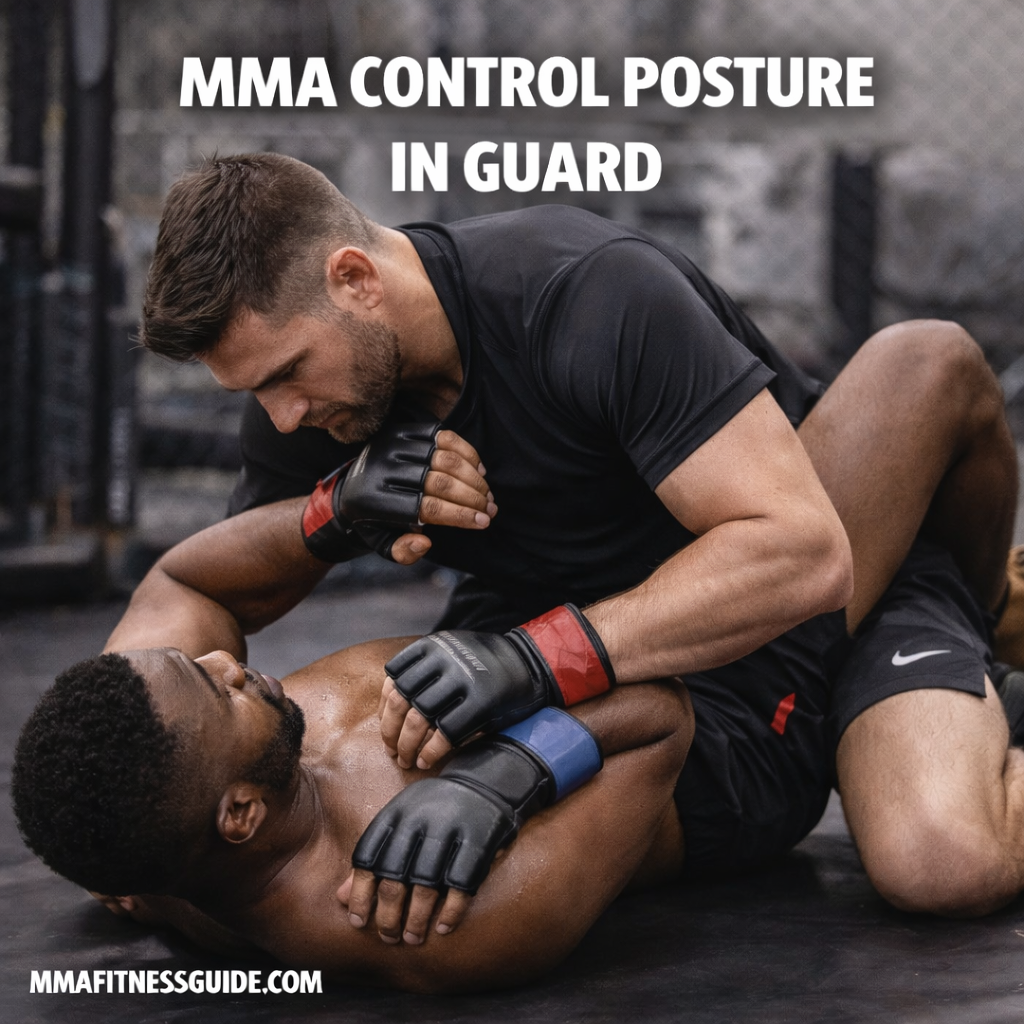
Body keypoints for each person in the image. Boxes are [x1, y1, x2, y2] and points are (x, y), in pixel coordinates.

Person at [131, 152, 1023, 911]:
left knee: (940, 862)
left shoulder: (586, 293)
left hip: (786, 618)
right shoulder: (315, 403)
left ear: (355, 279)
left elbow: (805, 555)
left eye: (288, 374)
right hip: (602, 665)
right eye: (255, 393)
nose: (280, 419)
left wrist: (537, 657)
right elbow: (203, 587)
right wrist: (329, 514)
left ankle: (980, 636)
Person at [13, 639, 693, 993]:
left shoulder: (160, 854)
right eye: (216, 691)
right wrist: (510, 772)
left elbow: (184, 577)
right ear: (242, 814)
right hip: (723, 744)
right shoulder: (441, 922)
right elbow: (662, 710)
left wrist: (331, 512)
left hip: (537, 627)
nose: (228, 662)